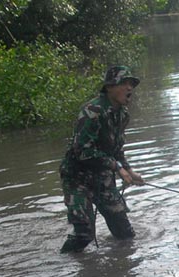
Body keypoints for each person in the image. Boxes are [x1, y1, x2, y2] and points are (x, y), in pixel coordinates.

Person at [59, 65, 144, 254]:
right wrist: (117, 167)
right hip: (77, 178)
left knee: (125, 234)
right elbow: (82, 151)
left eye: (131, 84)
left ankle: (122, 263)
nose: (129, 88)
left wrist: (130, 171)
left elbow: (116, 149)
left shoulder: (122, 115)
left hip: (102, 176)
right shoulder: (92, 111)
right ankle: (61, 264)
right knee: (84, 234)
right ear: (110, 87)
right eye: (124, 83)